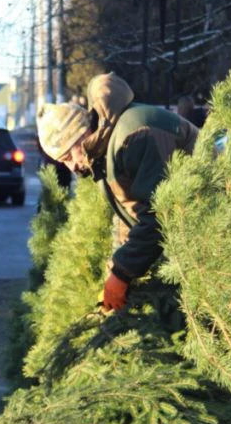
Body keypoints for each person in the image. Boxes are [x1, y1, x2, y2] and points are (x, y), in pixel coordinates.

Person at [36, 74, 199, 312]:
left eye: (70, 155)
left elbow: (159, 212)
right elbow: (128, 214)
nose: (72, 167)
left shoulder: (133, 135)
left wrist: (121, 274)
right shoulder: (105, 147)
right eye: (64, 161)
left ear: (81, 134)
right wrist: (114, 269)